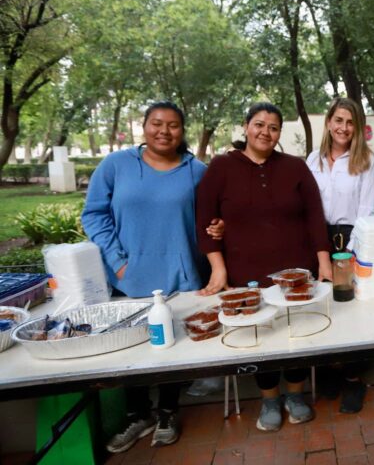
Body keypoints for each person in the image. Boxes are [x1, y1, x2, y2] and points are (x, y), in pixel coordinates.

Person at [82, 101, 209, 452]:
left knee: (174, 349)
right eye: (157, 123)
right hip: (130, 278)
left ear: (183, 132)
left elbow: (210, 218)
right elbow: (94, 215)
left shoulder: (196, 170)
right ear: (144, 126)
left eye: (173, 125)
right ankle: (137, 415)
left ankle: (168, 411)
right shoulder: (116, 165)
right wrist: (118, 262)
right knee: (132, 350)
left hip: (180, 277)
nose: (164, 131)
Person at [195, 102, 331, 431]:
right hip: (247, 274)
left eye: (272, 127)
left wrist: (324, 262)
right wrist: (218, 267)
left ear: (279, 133)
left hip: (295, 275)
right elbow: (203, 220)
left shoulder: (295, 167)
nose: (265, 132)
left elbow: (315, 215)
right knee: (262, 335)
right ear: (245, 127)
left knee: (297, 333)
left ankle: (296, 395)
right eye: (258, 124)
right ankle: (269, 397)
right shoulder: (222, 166)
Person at [306, 97, 374, 413]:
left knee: (351, 310)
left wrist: (348, 257)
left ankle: (352, 377)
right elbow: (307, 209)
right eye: (338, 120)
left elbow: (365, 211)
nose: (343, 128)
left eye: (350, 122)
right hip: (317, 239)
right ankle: (327, 371)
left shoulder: (365, 160)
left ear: (357, 126)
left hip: (350, 241)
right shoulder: (313, 160)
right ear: (328, 122)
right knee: (322, 305)